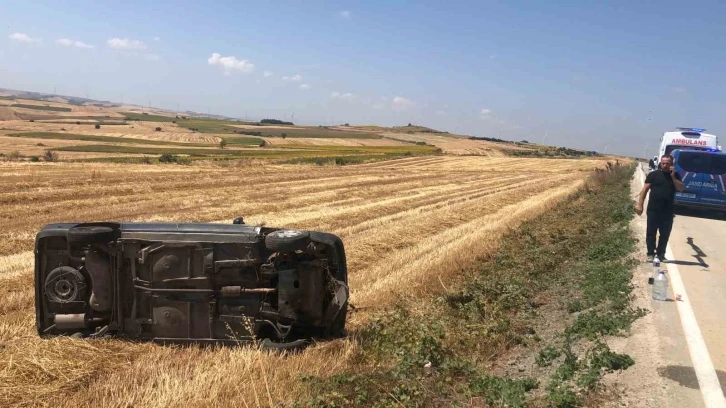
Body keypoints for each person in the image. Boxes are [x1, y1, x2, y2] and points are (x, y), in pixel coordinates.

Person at [636, 155, 684, 262]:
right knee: (651, 233)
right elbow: (644, 190)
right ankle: (650, 253)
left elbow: (681, 188)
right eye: (663, 163)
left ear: (671, 164)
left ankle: (661, 254)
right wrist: (640, 205)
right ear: (660, 163)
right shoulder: (653, 175)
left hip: (668, 210)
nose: (665, 165)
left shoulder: (676, 176)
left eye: (667, 163)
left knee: (665, 234)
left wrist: (673, 177)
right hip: (653, 209)